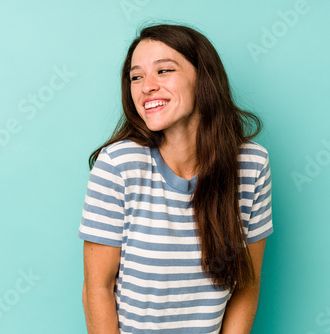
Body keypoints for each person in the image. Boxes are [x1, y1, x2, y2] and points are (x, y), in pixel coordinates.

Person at [79, 23, 273, 334]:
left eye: (164, 71)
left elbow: (247, 284)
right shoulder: (118, 164)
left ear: (203, 78)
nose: (146, 86)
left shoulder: (252, 165)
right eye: (136, 76)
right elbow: (97, 289)